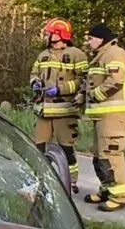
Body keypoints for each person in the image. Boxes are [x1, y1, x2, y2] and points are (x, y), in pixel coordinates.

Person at [29, 18, 88, 193]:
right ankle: (39, 179)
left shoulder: (77, 54)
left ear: (61, 34)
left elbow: (83, 80)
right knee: (39, 146)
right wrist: (35, 83)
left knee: (67, 148)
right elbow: (34, 72)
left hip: (65, 110)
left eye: (51, 33)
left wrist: (61, 89)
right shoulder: (43, 55)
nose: (48, 36)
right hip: (43, 110)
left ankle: (71, 182)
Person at [83, 24, 125, 212]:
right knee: (100, 156)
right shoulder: (101, 56)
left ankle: (120, 196)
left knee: (111, 156)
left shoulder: (115, 53)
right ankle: (107, 189)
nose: (88, 42)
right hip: (101, 116)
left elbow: (115, 82)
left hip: (113, 116)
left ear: (101, 38)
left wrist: (95, 94)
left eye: (91, 38)